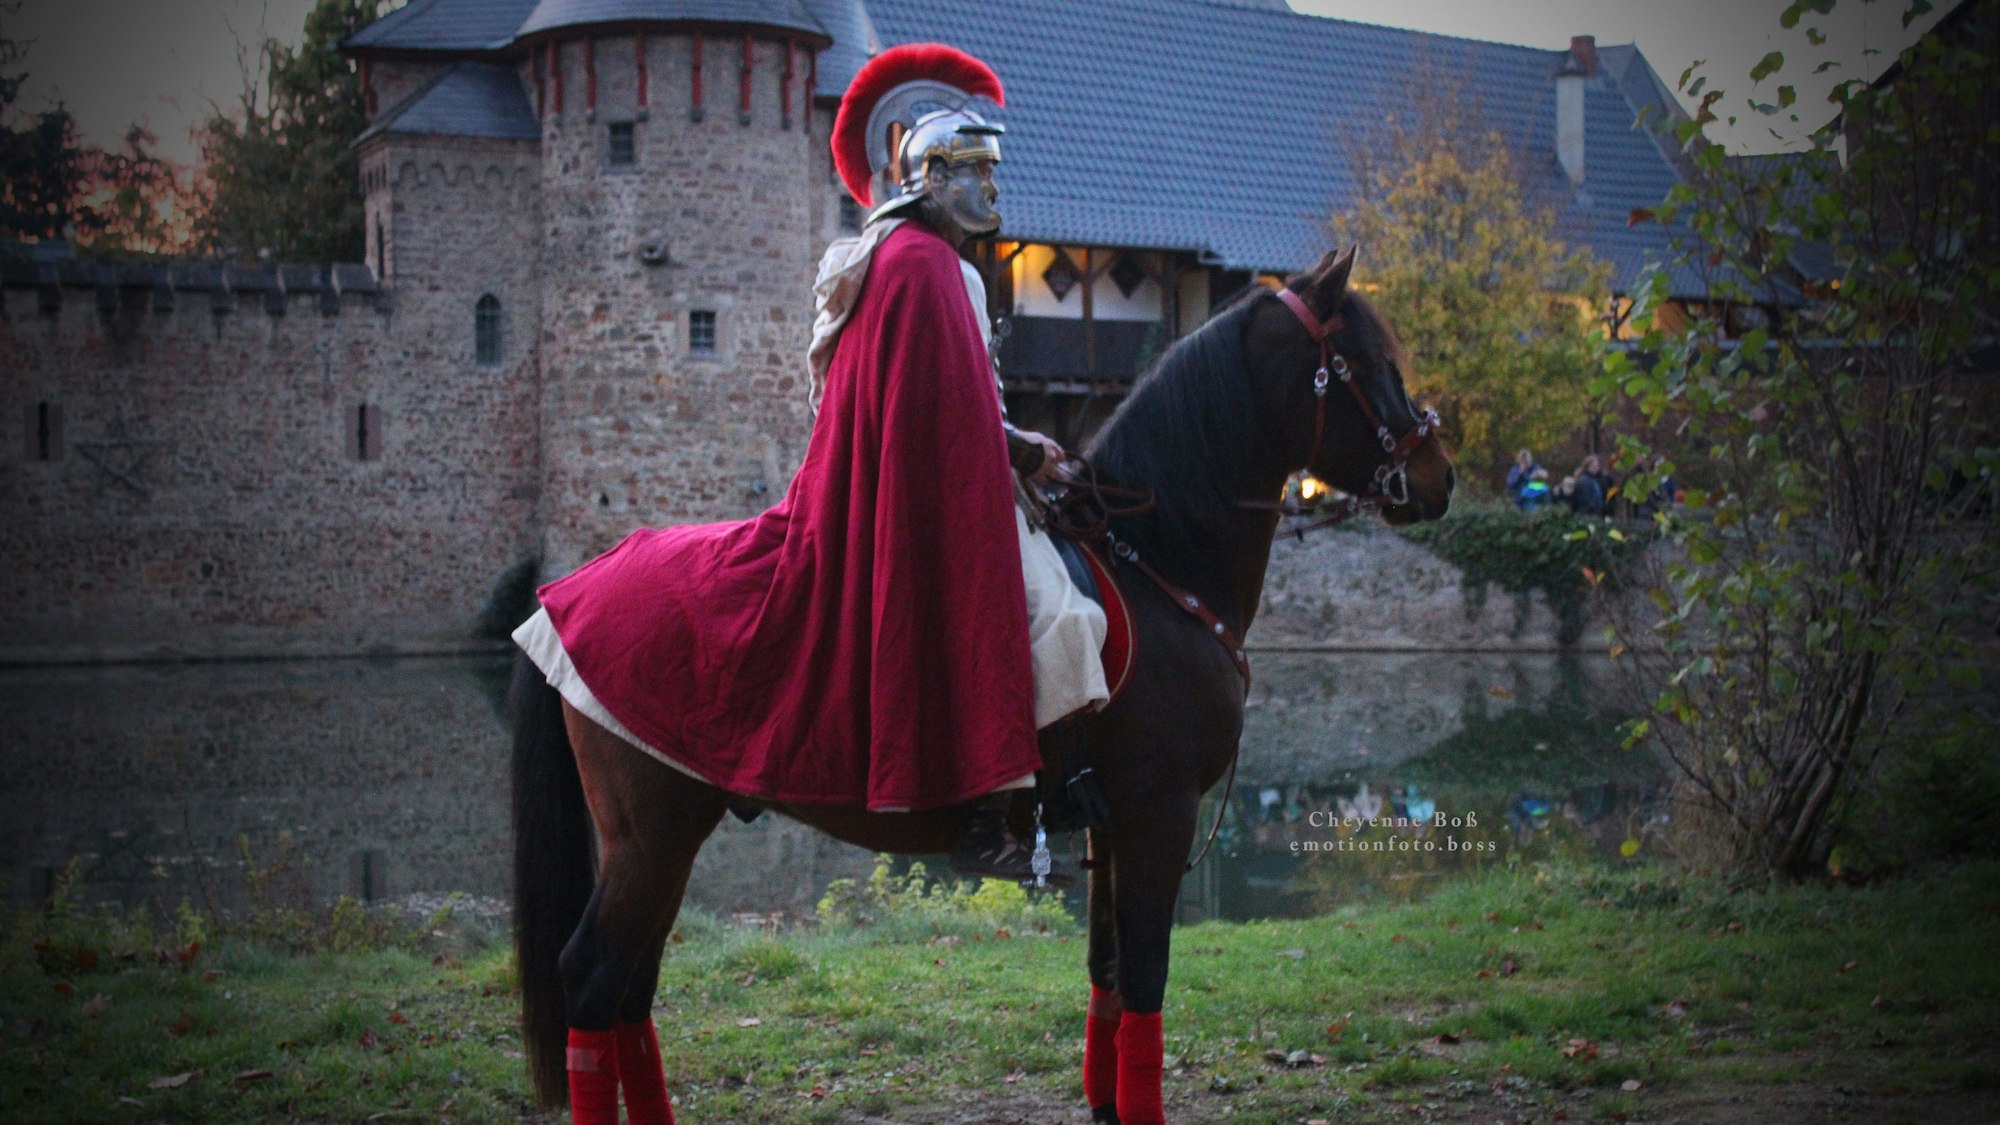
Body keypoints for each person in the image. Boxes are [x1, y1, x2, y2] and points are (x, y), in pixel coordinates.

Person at [511, 44, 1104, 888]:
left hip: (909, 481)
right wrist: (1019, 450)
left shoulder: (888, 256)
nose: (992, 189)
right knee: (1052, 614)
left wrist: (1011, 444)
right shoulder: (925, 265)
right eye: (974, 171)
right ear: (928, 175)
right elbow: (947, 418)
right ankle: (990, 810)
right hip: (926, 502)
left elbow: (936, 403)